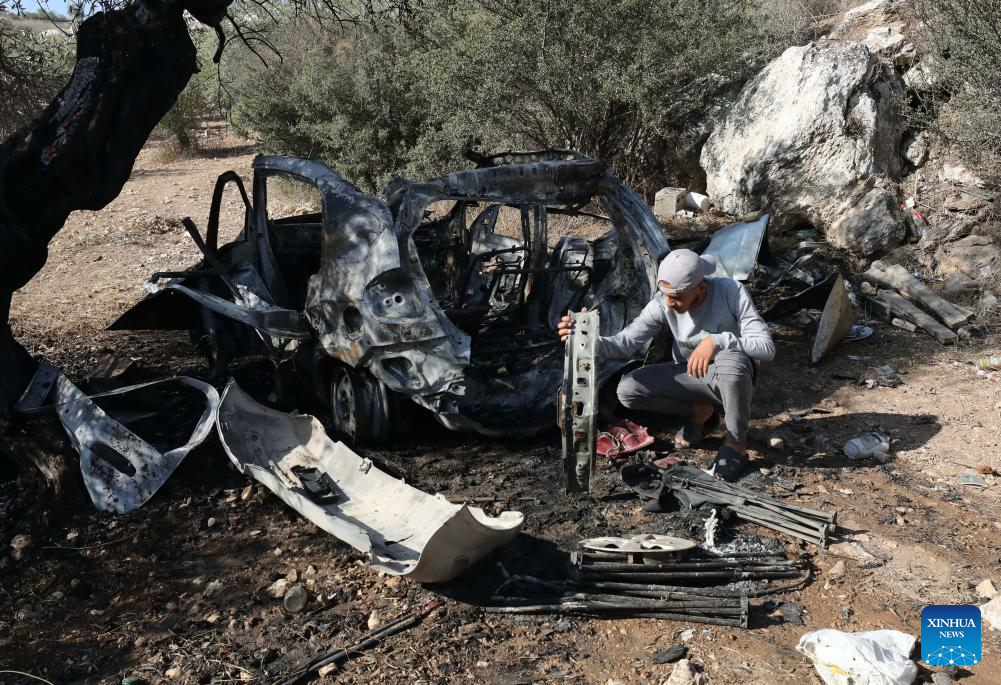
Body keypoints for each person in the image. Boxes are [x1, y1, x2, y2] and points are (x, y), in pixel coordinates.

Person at [557, 249, 775, 481]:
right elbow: (625, 344)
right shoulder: (663, 302)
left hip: (733, 377)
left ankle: (736, 444)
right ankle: (699, 411)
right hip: (692, 374)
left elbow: (766, 348)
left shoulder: (730, 291)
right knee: (629, 390)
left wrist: (717, 341)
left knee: (730, 359)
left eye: (677, 297)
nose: (669, 303)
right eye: (665, 294)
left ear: (700, 288)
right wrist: (589, 340)